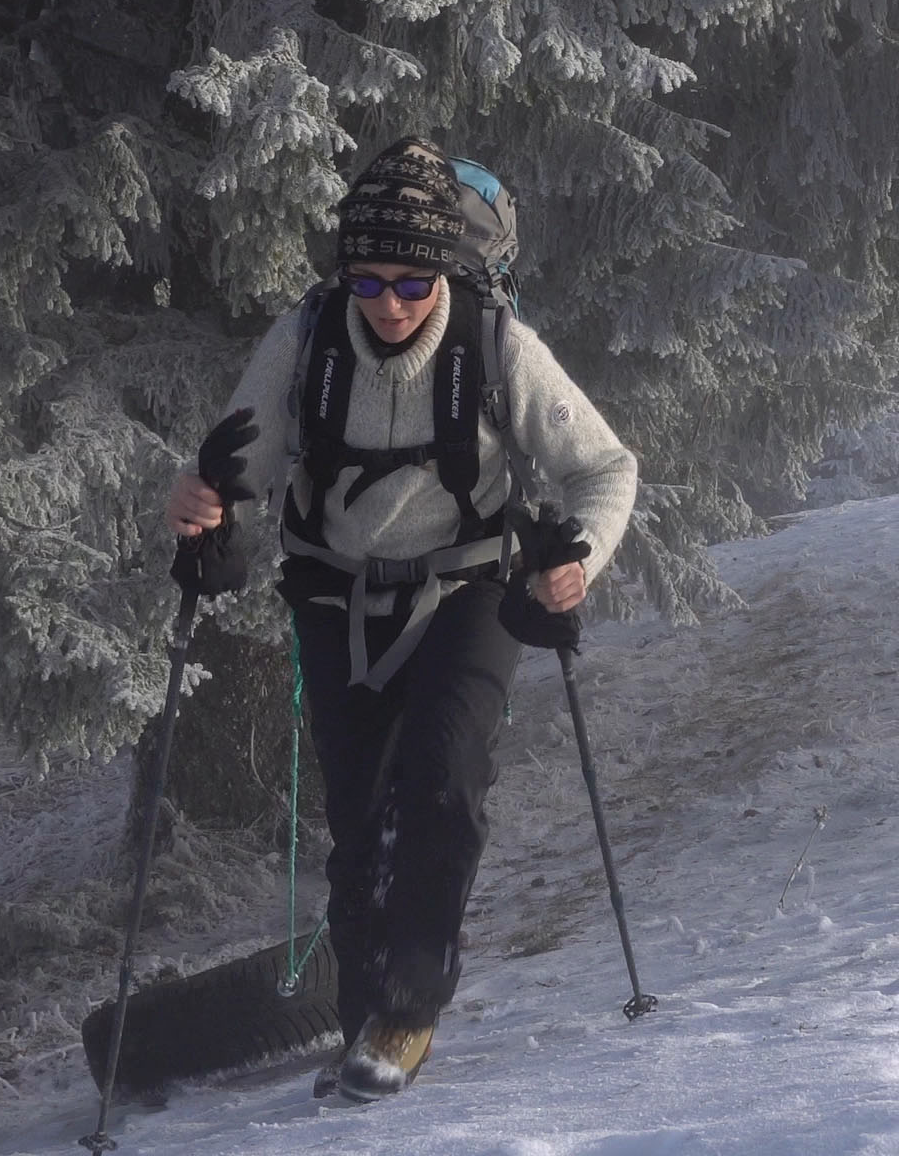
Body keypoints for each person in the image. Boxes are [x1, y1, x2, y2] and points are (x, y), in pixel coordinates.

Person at [163, 137, 638, 1103]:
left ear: (447, 272)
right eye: (368, 279)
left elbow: (605, 469)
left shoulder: (499, 345)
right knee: (358, 820)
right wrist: (198, 502)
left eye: (413, 280)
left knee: (444, 786)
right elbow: (234, 471)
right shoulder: (307, 338)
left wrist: (576, 561)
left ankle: (411, 1009)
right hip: (336, 594)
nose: (388, 302)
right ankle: (363, 1026)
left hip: (468, 589)